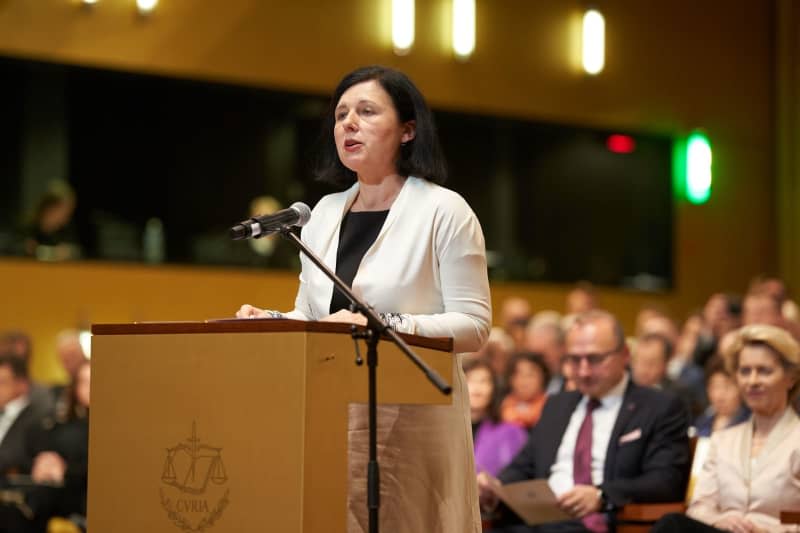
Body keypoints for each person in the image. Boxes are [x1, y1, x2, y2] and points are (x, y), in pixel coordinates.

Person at [236, 65, 491, 533]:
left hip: (413, 424)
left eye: (366, 111)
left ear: (408, 129)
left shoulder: (445, 210)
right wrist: (272, 319)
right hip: (330, 417)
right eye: (340, 114)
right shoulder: (323, 212)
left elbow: (474, 326)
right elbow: (315, 316)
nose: (347, 123)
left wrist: (379, 323)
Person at [478, 310, 690, 533]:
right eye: (574, 360)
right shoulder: (557, 405)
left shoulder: (658, 407)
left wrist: (602, 495)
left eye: (595, 359)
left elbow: (665, 480)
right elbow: (524, 466)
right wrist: (497, 488)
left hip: (599, 520)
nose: (584, 371)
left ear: (625, 354)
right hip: (539, 520)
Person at [652, 324, 800, 533]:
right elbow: (700, 506)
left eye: (764, 371)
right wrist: (719, 520)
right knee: (672, 523)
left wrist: (770, 529)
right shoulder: (723, 440)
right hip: (724, 531)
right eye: (745, 371)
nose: (752, 381)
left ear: (791, 377)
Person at [465, 358, 528, 477]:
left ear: (493, 388)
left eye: (484, 381)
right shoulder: (444, 430)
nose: (477, 388)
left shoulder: (512, 432)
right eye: (470, 380)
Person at [692, 357, 749, 437]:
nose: (719, 396)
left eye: (727, 387)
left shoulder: (750, 424)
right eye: (714, 387)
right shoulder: (703, 422)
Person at [500, 352, 550, 429]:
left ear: (543, 378)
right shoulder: (499, 409)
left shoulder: (551, 408)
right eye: (518, 375)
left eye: (530, 375)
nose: (524, 381)